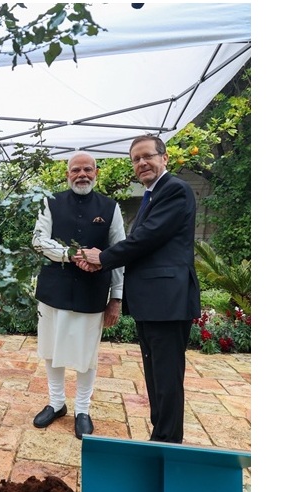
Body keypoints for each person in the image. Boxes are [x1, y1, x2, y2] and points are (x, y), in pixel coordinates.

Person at [77, 136, 200, 443]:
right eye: (136, 159)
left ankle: (168, 443)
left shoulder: (174, 190)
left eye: (148, 156)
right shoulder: (151, 195)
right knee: (156, 376)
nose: (142, 163)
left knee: (167, 378)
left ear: (165, 158)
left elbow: (146, 238)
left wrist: (101, 257)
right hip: (154, 302)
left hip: (168, 302)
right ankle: (160, 435)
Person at [31, 153, 125, 439]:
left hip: (92, 292)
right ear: (67, 173)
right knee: (51, 349)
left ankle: (82, 409)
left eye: (87, 169)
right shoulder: (50, 201)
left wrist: (117, 298)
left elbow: (120, 253)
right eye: (76, 170)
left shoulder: (110, 207)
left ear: (96, 172)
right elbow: (38, 239)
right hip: (53, 289)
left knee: (87, 355)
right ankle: (56, 403)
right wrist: (70, 254)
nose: (81, 174)